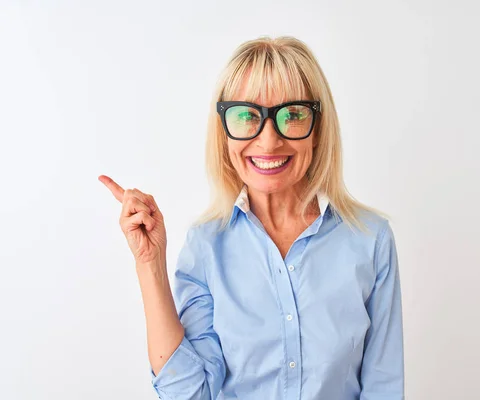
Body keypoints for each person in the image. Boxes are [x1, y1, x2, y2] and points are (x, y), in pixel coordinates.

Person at [99, 36, 404, 400]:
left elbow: (383, 388)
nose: (268, 141)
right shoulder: (207, 245)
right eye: (247, 116)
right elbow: (190, 395)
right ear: (224, 131)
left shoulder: (370, 240)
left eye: (292, 115)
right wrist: (150, 264)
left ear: (319, 129)